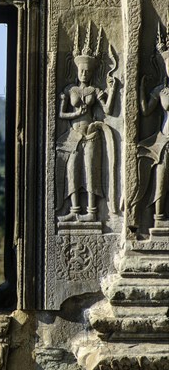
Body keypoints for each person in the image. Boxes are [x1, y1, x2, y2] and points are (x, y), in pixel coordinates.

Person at [56, 25, 117, 222]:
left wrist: (112, 90)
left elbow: (107, 110)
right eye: (81, 70)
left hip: (91, 134)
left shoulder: (94, 90)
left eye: (87, 71)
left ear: (91, 72)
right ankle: (74, 209)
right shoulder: (70, 89)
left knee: (91, 171)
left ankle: (92, 211)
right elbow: (61, 114)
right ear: (77, 69)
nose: (83, 73)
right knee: (72, 170)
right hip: (73, 134)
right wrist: (75, 112)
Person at [132, 28, 169, 228]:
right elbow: (146, 111)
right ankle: (158, 217)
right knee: (161, 177)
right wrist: (140, 90)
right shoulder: (161, 91)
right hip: (165, 141)